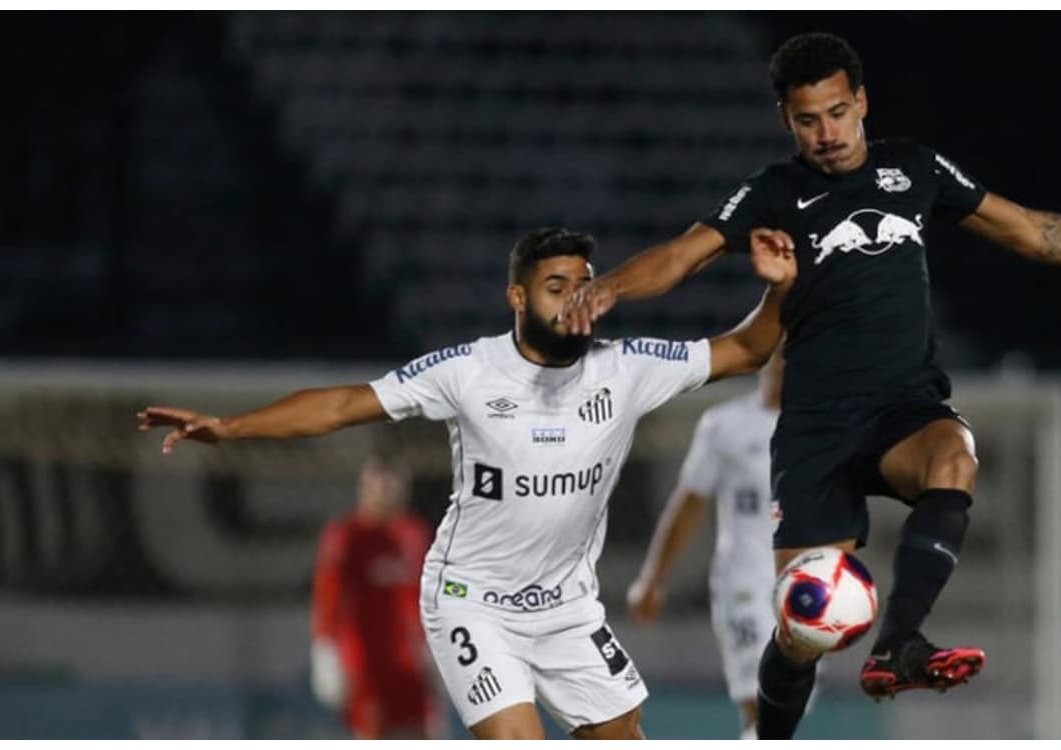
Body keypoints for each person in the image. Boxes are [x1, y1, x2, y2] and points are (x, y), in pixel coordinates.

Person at [558, 31, 1061, 739]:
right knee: (801, 631)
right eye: (809, 119)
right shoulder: (775, 192)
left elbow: (1030, 231)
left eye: (838, 112)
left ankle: (899, 643)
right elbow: (683, 256)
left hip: (902, 407)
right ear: (787, 119)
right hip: (816, 428)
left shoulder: (914, 168)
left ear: (862, 101)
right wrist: (609, 290)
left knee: (954, 454)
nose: (827, 133)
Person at [139, 226, 796, 740]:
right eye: (556, 285)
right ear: (517, 297)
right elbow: (343, 406)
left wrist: (778, 288)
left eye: (585, 284)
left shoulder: (625, 369)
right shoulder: (468, 372)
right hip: (471, 601)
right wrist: (230, 428)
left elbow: (745, 350)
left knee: (624, 735)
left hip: (566, 605)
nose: (575, 299)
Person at [627, 349, 818, 739]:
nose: (789, 364)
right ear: (766, 357)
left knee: (790, 714)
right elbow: (690, 502)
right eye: (783, 354)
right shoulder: (725, 425)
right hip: (744, 585)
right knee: (762, 709)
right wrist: (653, 578)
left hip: (805, 590)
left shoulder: (823, 429)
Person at [310, 456, 440, 739]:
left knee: (426, 729)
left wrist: (435, 644)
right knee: (372, 731)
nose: (384, 495)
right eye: (377, 487)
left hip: (409, 656)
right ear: (363, 490)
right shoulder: (346, 535)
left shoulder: (413, 533)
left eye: (391, 488)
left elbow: (426, 594)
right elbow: (328, 596)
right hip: (363, 657)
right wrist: (325, 649)